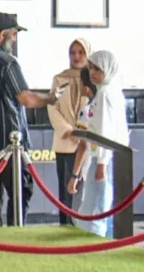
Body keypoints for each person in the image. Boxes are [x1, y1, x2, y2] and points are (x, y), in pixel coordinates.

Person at [0, 12, 59, 227]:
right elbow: (27, 99)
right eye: (13, 35)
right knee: (20, 191)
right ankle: (15, 235)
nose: (14, 40)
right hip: (9, 143)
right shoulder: (7, 62)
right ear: (3, 34)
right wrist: (52, 98)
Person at [68, 50, 128, 237]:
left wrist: (101, 163)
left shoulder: (106, 93)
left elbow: (105, 131)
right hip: (107, 158)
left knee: (96, 208)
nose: (92, 72)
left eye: (97, 68)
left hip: (104, 158)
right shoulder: (108, 91)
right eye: (91, 68)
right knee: (98, 205)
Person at [48, 38, 92, 225]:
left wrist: (82, 131)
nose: (77, 56)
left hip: (88, 143)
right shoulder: (60, 78)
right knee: (66, 192)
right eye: (73, 53)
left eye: (81, 52)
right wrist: (68, 131)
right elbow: (52, 107)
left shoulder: (93, 79)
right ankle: (65, 227)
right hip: (66, 143)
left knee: (86, 192)